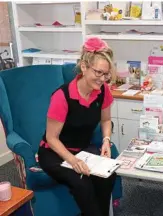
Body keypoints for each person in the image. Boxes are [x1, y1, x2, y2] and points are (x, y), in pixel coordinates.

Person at [38, 37, 116, 216]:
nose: (102, 79)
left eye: (106, 74)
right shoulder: (62, 96)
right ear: (84, 67)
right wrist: (73, 161)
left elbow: (105, 120)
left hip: (82, 150)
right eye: (98, 72)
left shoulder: (103, 91)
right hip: (54, 152)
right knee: (82, 182)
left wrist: (106, 140)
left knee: (107, 176)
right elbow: (52, 138)